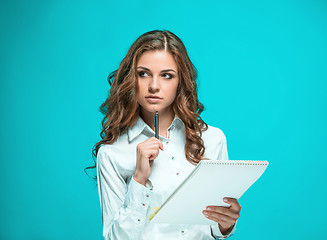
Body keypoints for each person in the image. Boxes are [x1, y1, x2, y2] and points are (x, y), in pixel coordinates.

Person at [88, 30, 241, 240]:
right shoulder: (112, 153)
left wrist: (225, 223)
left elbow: (215, 229)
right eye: (143, 73)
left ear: (181, 82)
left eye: (166, 75)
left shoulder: (212, 139)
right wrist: (139, 179)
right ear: (131, 79)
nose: (154, 86)